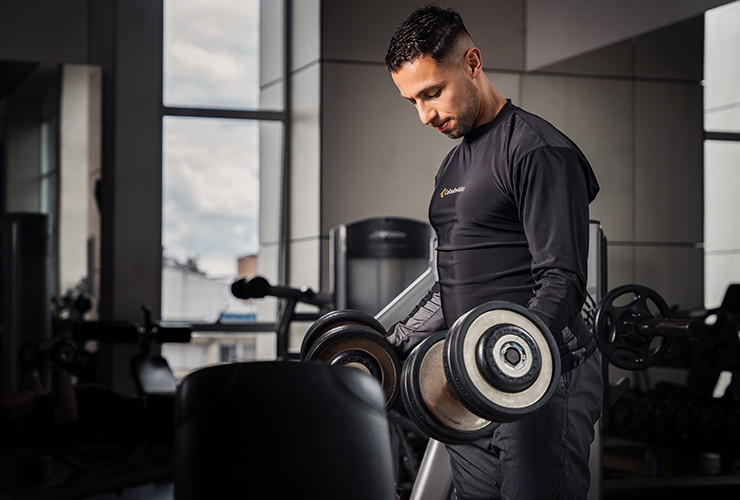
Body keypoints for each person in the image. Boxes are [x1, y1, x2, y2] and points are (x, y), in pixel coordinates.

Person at [384, 5, 603, 499]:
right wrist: (387, 343)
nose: (425, 116)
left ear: (473, 63)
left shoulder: (538, 151)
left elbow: (562, 281)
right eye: (412, 101)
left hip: (542, 379)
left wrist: (507, 360)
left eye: (432, 93)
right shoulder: (451, 169)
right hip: (469, 384)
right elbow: (450, 286)